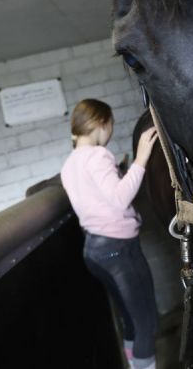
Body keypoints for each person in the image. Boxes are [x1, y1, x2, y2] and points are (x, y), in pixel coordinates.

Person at [60, 99, 160, 369]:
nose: (111, 131)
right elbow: (119, 199)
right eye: (111, 124)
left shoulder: (69, 164)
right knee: (146, 324)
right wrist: (140, 159)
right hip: (119, 251)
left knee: (129, 320)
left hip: (94, 252)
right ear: (101, 124)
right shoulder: (98, 155)